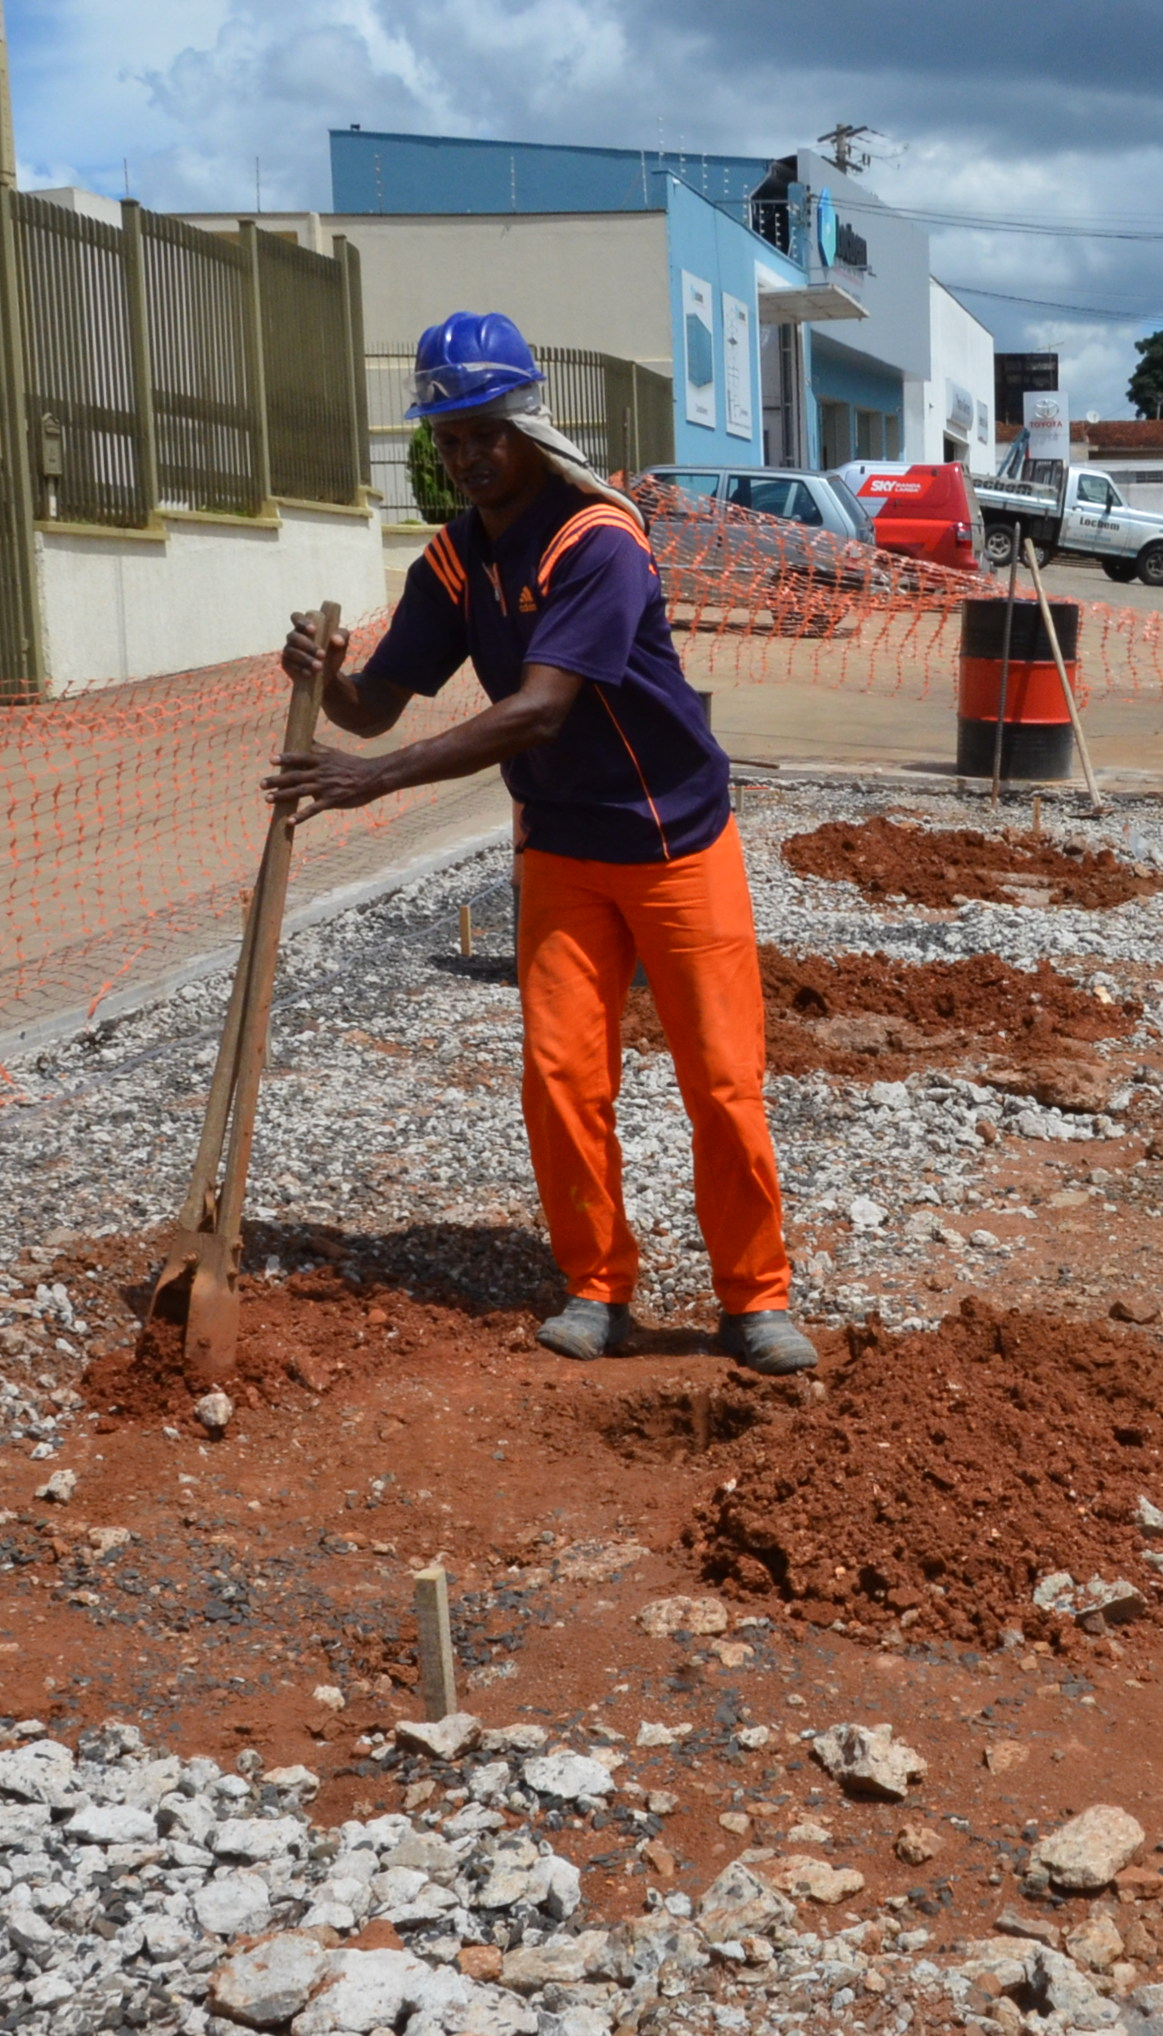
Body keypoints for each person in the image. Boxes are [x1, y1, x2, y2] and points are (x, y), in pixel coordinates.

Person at [262, 310, 814, 1376]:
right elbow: (375, 707)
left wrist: (373, 782)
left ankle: (754, 1300)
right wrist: (327, 680)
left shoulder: (595, 539)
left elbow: (541, 709)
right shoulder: (456, 561)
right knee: (561, 1076)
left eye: (486, 433)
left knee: (721, 1080)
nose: (468, 456)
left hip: (674, 838)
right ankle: (597, 1287)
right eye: (449, 438)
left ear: (527, 425)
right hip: (560, 844)